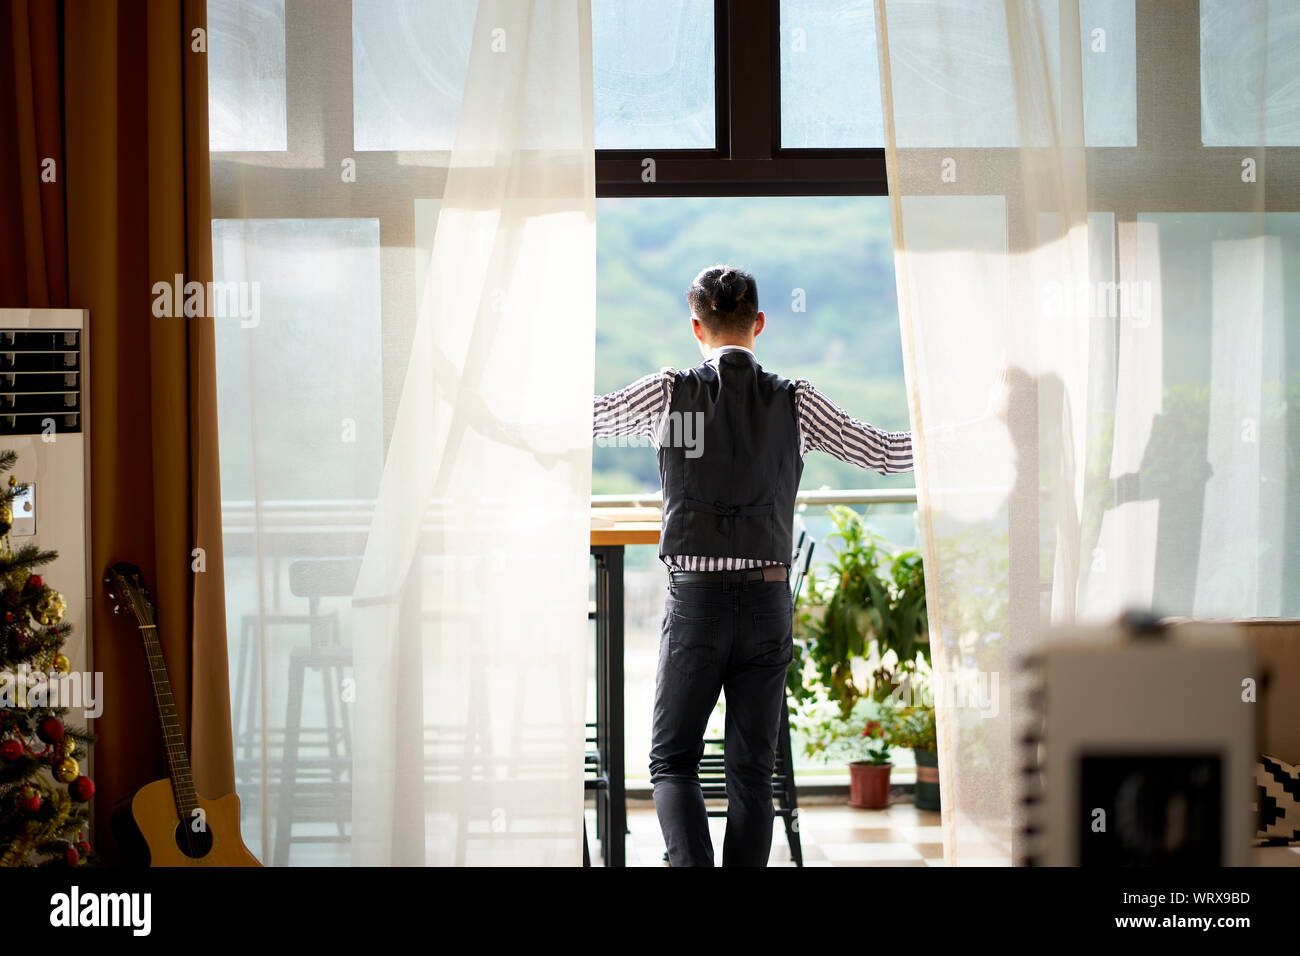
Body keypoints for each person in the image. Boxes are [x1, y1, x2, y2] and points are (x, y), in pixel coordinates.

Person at [591, 264, 919, 867]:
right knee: (751, 770)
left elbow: (585, 421)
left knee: (672, 762)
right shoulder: (796, 400)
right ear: (759, 323)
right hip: (768, 604)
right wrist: (979, 427)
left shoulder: (668, 392)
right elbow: (883, 451)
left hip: (696, 605)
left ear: (697, 326)